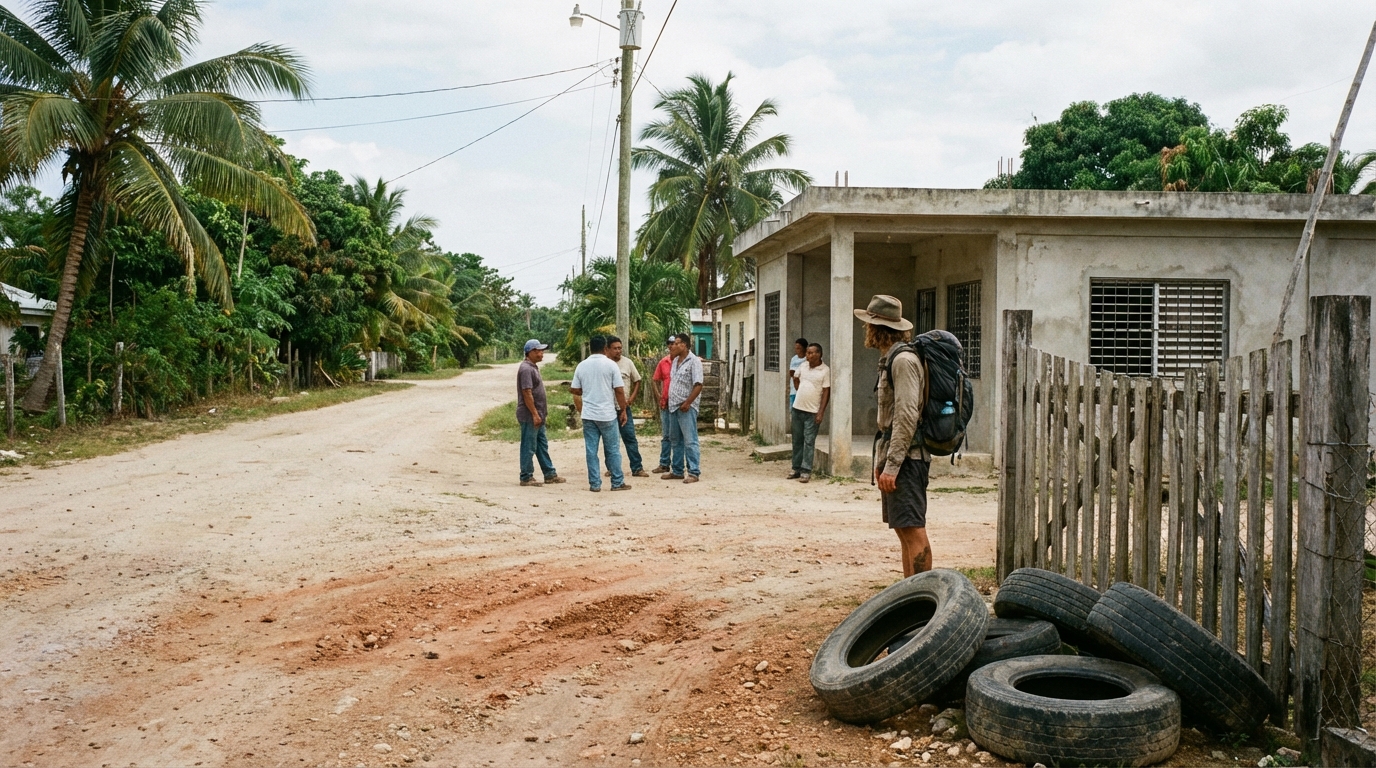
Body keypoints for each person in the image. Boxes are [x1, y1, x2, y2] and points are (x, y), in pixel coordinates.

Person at [854, 294, 932, 577]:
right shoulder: (891, 358)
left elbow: (907, 416)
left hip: (909, 458)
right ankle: (910, 594)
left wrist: (893, 465)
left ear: (877, 327)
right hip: (896, 454)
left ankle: (924, 598)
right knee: (903, 529)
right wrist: (882, 461)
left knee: (913, 529)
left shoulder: (903, 361)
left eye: (869, 325)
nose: (866, 330)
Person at [570, 336, 631, 492]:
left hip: (589, 414)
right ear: (605, 348)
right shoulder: (611, 365)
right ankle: (617, 482)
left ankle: (595, 484)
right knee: (613, 449)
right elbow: (619, 389)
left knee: (591, 450)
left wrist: (588, 390)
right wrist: (623, 409)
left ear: (590, 348)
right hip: (607, 414)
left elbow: (575, 390)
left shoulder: (581, 366)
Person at [515, 339, 566, 487]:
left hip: (538, 415)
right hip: (530, 415)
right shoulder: (526, 369)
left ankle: (549, 474)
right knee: (529, 446)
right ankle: (526, 476)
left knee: (541, 445)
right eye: (538, 350)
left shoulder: (532, 367)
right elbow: (527, 392)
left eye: (542, 350)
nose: (541, 353)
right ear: (530, 352)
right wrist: (535, 414)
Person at [662, 332, 703, 483]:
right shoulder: (675, 361)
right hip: (673, 406)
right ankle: (677, 470)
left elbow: (698, 385)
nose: (672, 346)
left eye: (676, 343)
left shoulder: (694, 361)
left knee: (690, 440)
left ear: (684, 345)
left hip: (686, 407)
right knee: (675, 439)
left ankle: (693, 472)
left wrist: (688, 402)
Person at [606, 336, 649, 478]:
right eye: (615, 348)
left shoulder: (627, 362)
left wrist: (631, 398)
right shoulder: (604, 364)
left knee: (630, 437)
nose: (618, 351)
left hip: (624, 408)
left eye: (620, 348)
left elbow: (637, 380)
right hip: (608, 409)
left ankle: (637, 467)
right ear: (607, 349)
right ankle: (612, 468)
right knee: (610, 440)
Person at [788, 342, 831, 483]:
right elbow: (795, 377)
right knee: (797, 440)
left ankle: (806, 471)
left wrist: (821, 412)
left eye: (811, 353)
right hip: (797, 409)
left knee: (809, 441)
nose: (808, 355)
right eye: (807, 353)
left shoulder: (825, 371)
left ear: (819, 354)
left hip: (812, 412)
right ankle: (796, 468)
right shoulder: (803, 366)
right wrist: (801, 390)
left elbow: (826, 392)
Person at [649, 337, 675, 474]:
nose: (672, 346)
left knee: (680, 436)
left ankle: (680, 465)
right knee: (666, 435)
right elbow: (654, 380)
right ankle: (664, 463)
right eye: (670, 344)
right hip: (666, 403)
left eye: (674, 343)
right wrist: (659, 396)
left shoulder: (684, 361)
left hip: (680, 404)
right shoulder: (663, 362)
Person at [788, 338, 807, 410]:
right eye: (796, 348)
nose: (797, 350)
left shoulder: (807, 359)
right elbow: (791, 372)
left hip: (804, 388)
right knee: (793, 409)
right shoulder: (794, 359)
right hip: (794, 389)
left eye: (799, 348)